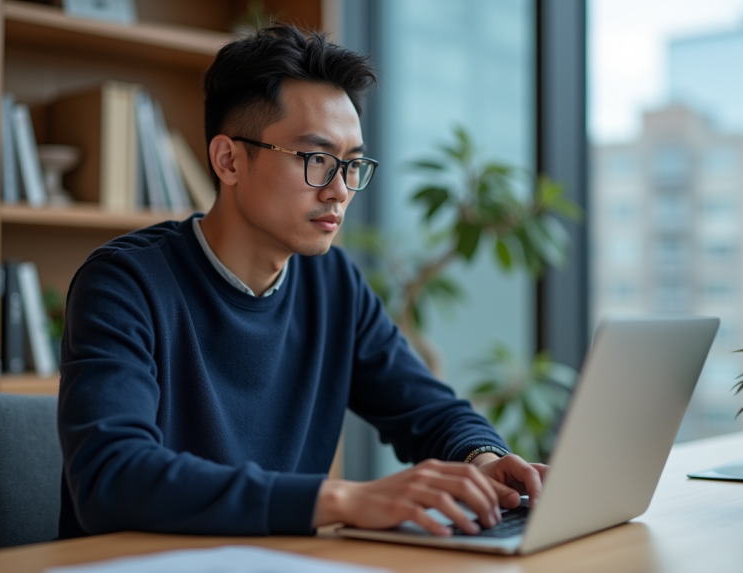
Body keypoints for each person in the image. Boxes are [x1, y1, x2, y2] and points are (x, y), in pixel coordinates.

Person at [58, 23, 546, 540]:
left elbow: (428, 409)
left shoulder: (333, 284)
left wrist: (484, 459)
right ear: (228, 160)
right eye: (317, 159)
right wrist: (343, 499)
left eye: (352, 165)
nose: (339, 190)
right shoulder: (125, 284)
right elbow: (113, 477)